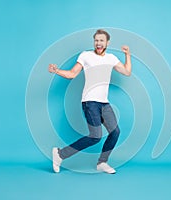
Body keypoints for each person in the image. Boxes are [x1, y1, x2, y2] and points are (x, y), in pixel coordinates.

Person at [48, 29, 131, 174]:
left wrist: (127, 54)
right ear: (94, 42)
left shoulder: (111, 58)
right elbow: (72, 74)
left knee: (115, 132)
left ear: (107, 43)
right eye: (96, 40)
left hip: (104, 103)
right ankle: (60, 154)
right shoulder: (86, 56)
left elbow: (126, 72)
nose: (98, 43)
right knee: (95, 136)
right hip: (90, 102)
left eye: (101, 41)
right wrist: (57, 71)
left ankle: (102, 162)